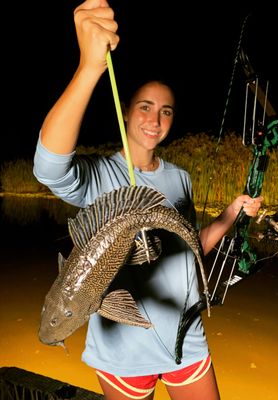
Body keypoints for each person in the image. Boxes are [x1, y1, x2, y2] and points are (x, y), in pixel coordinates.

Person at [33, 1, 263, 399]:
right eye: (144, 107)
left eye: (166, 112)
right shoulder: (99, 176)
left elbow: (190, 249)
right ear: (125, 112)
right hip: (123, 354)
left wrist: (230, 213)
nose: (154, 121)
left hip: (186, 341)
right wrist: (90, 69)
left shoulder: (180, 178)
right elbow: (49, 168)